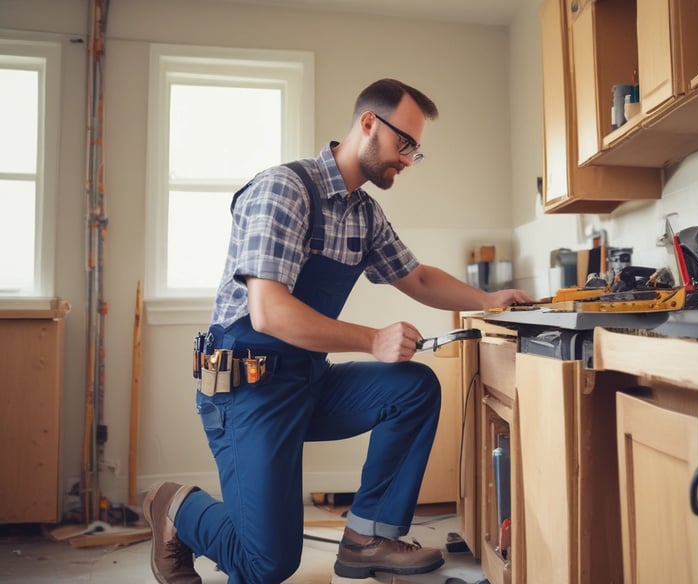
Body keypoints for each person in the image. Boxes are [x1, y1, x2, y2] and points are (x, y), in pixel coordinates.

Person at [143, 78, 534, 583]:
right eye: (404, 144)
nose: (409, 160)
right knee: (267, 564)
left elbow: (415, 277)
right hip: (247, 391)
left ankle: (366, 539)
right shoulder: (284, 189)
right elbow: (269, 313)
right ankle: (174, 506)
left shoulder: (364, 213)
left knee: (412, 388)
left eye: (417, 150)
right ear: (368, 124)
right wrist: (373, 339)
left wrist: (486, 300)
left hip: (305, 381)